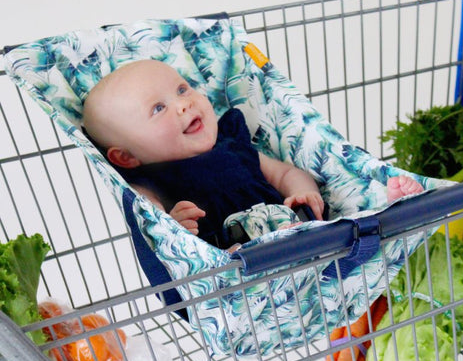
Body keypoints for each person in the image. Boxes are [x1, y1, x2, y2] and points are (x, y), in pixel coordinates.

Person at [83, 59, 423, 247]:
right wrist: (174, 227)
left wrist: (302, 191)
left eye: (182, 89)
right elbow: (151, 225)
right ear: (126, 158)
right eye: (158, 108)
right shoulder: (149, 181)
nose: (183, 104)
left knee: (346, 236)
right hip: (234, 258)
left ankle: (386, 205)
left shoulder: (232, 143)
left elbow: (286, 173)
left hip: (296, 233)